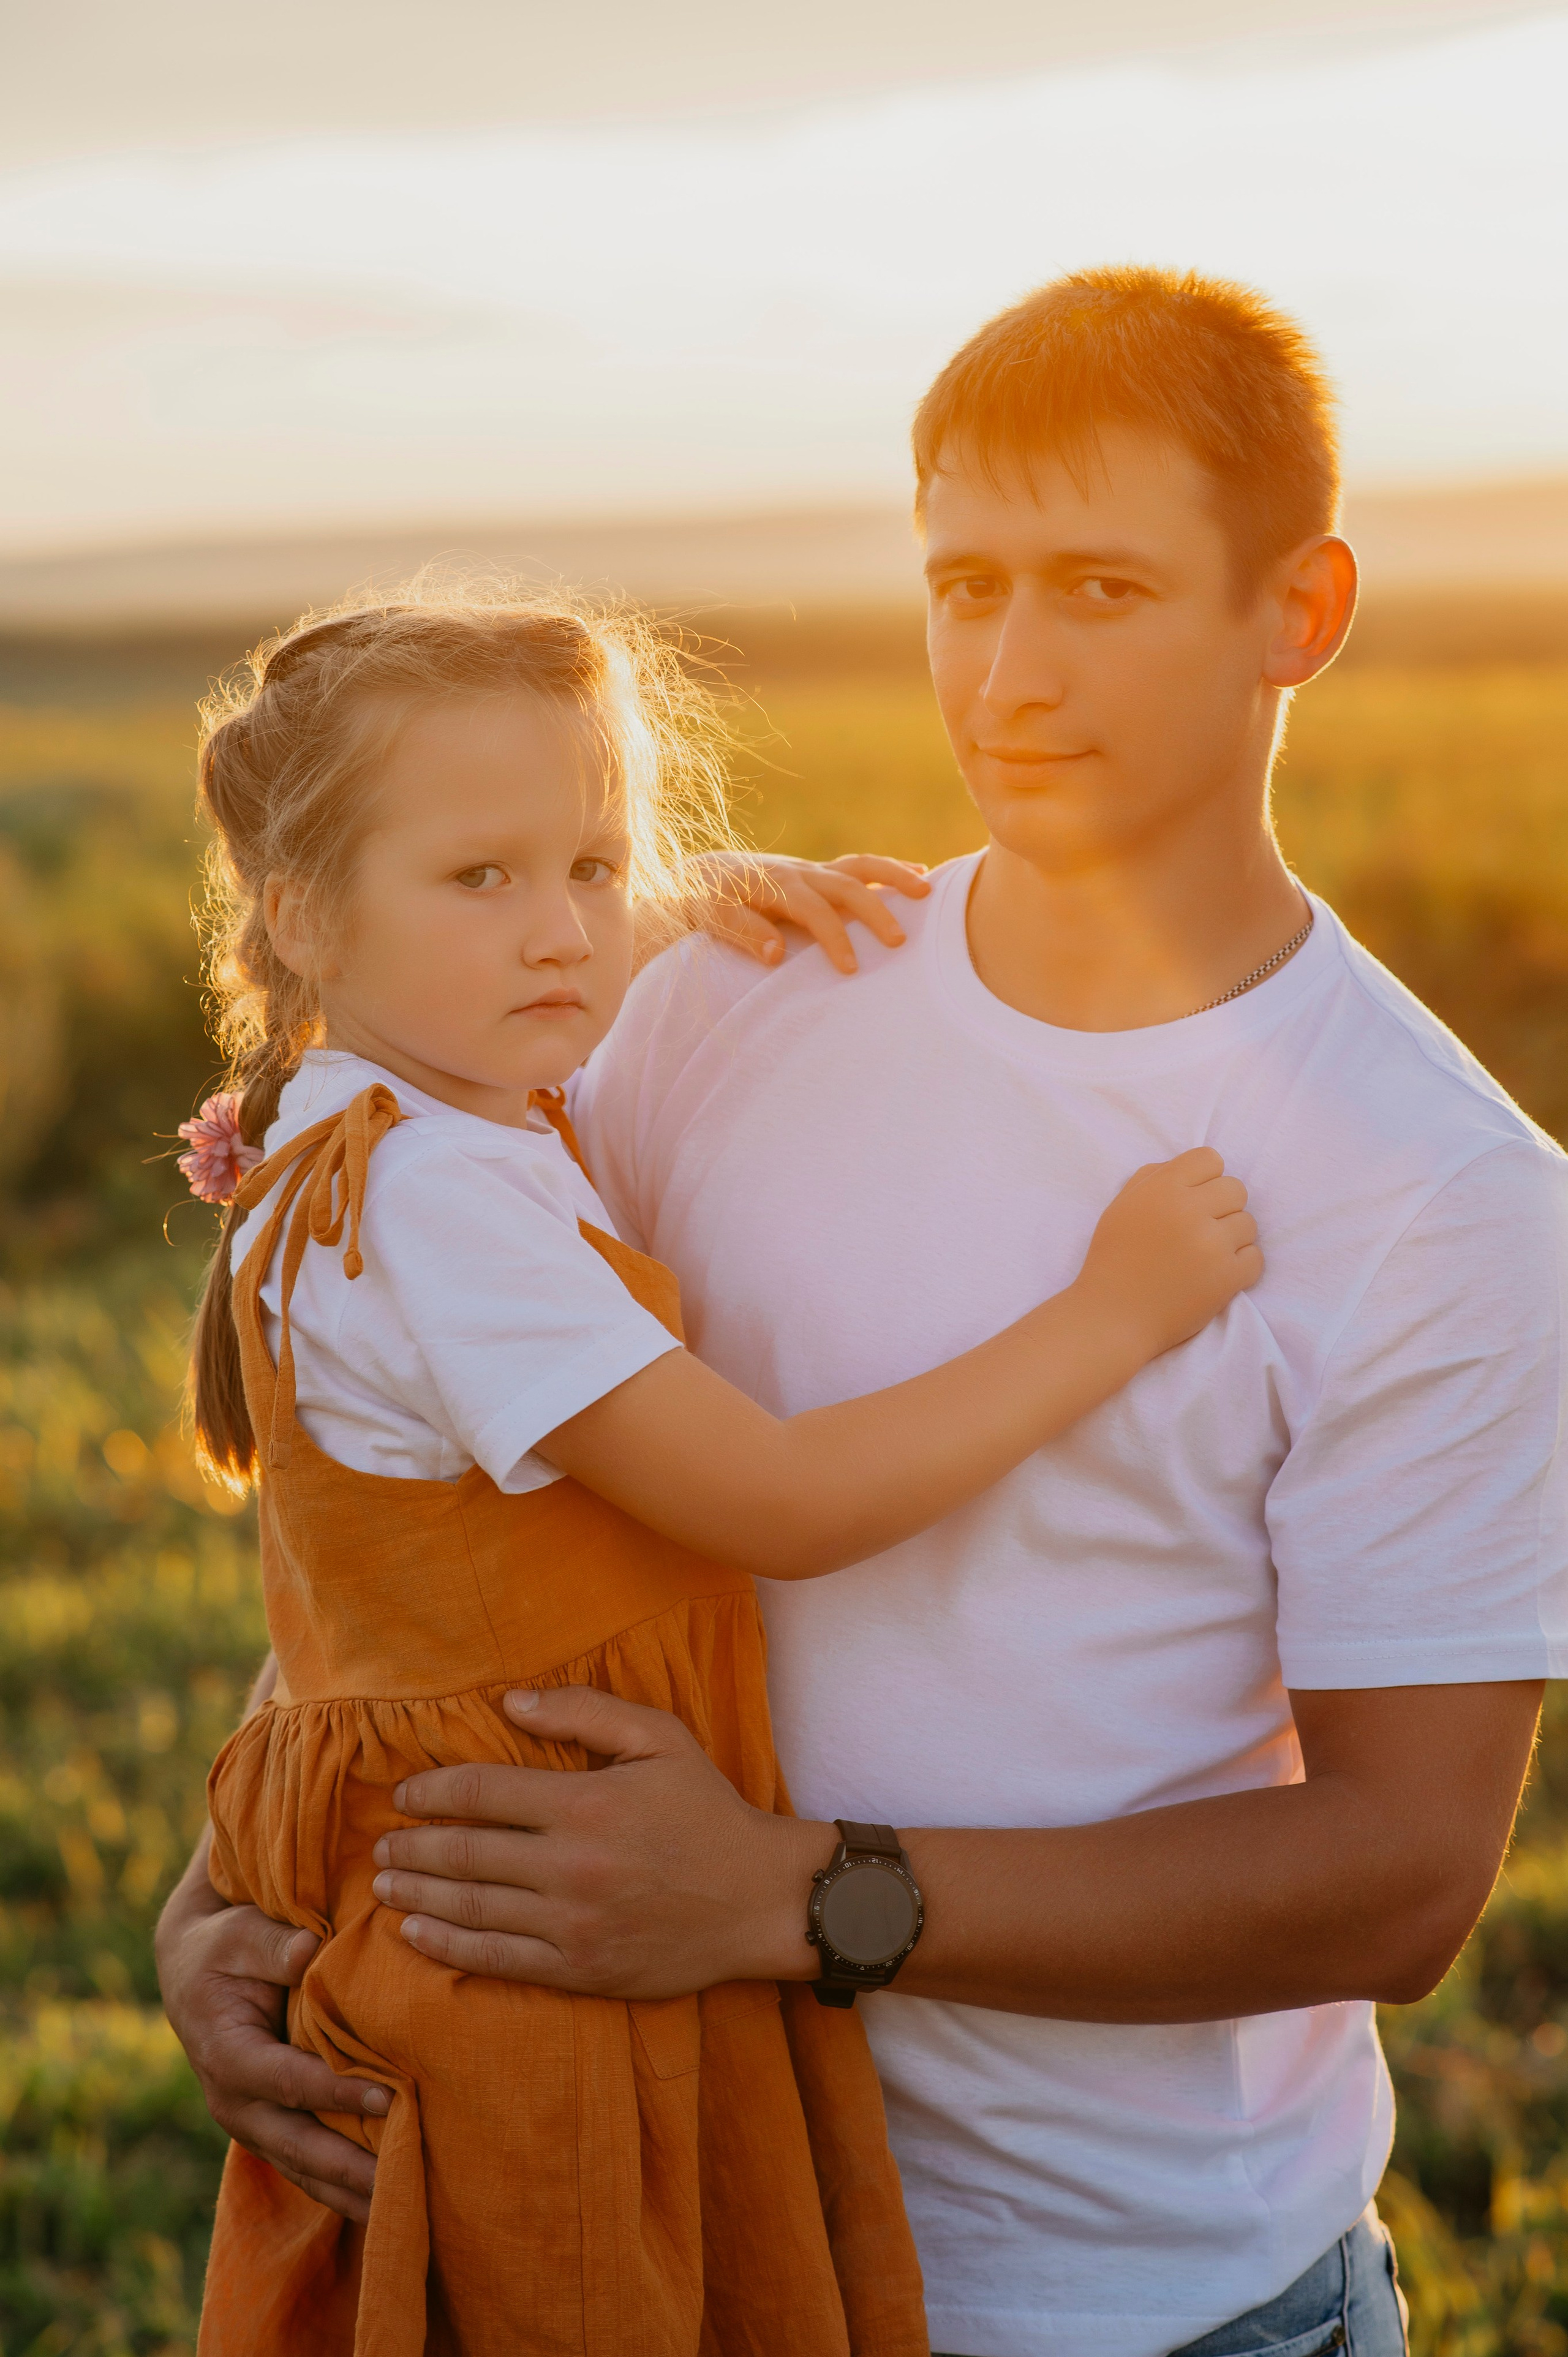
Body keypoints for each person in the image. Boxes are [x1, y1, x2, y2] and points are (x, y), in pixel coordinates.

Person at [156, 267, 1567, 2355]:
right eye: (963, 582)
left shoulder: (1448, 1195)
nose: (1006, 670)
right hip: (659, 2212)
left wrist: (790, 1895)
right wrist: (226, 1907)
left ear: (1304, 612)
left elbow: (1397, 1878)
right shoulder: (720, 1000)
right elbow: (434, 1482)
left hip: (1129, 2307)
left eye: (1101, 588)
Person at [176, 586, 1260, 2356]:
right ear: (299, 917)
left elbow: (506, 922)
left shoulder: (350, 1114)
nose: (565, 933)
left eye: (594, 864)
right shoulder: (448, 1206)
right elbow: (779, 1499)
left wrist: (678, 891)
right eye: (487, 880)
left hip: (469, 1882)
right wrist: (1113, 1317)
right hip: (549, 1930)